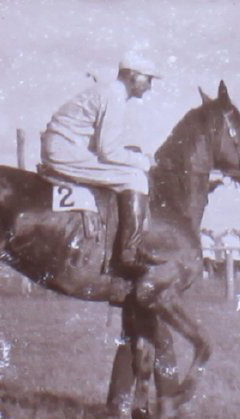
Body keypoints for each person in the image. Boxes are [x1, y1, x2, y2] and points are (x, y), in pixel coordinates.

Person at [40, 51, 161, 271]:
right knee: (135, 178)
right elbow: (109, 152)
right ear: (132, 76)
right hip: (65, 150)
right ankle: (128, 254)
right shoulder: (114, 96)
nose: (150, 86)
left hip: (65, 146)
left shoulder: (109, 92)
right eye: (148, 79)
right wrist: (144, 162)